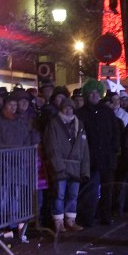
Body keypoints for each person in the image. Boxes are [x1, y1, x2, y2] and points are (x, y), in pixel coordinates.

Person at [76, 79, 121, 228]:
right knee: (90, 189)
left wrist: (114, 148)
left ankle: (105, 215)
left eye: (96, 92)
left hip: (107, 157)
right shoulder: (81, 114)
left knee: (107, 189)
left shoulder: (107, 112)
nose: (94, 95)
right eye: (91, 93)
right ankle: (88, 216)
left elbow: (115, 131)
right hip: (91, 158)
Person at [42, 97, 89, 233]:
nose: (68, 110)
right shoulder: (53, 124)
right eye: (65, 108)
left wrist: (84, 168)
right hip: (61, 165)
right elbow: (51, 146)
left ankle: (70, 220)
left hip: (75, 166)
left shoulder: (79, 125)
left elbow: (84, 147)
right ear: (61, 109)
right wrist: (57, 166)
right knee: (59, 195)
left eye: (70, 108)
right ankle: (58, 221)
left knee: (73, 195)